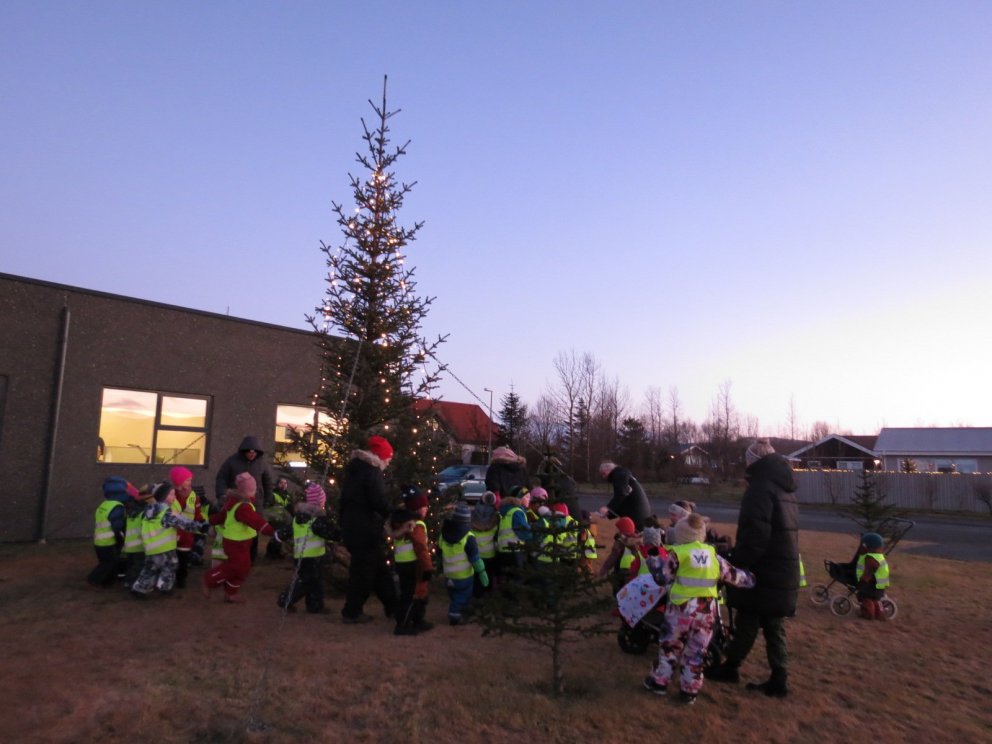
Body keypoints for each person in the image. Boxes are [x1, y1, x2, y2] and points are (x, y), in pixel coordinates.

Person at [706, 438, 800, 698]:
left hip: (764, 567)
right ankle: (774, 676)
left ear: (753, 462)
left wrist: (735, 561)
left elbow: (756, 533)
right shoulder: (785, 487)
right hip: (782, 565)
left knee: (750, 616)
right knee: (770, 622)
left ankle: (735, 668)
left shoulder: (760, 489)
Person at [643, 513, 756, 704]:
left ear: (681, 534)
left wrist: (652, 561)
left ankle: (659, 682)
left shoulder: (678, 553)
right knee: (696, 651)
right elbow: (734, 576)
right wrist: (752, 578)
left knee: (671, 646)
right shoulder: (712, 555)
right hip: (706, 612)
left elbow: (662, 577)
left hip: (681, 610)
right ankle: (689, 690)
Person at [338, 435, 398, 624]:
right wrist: (394, 513)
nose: (389, 461)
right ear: (381, 456)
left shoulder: (356, 470)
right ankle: (352, 611)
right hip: (365, 531)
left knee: (379, 570)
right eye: (388, 457)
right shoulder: (372, 473)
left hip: (356, 528)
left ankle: (393, 607)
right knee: (364, 573)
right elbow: (378, 501)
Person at [202, 472, 280, 604]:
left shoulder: (235, 503)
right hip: (235, 542)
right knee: (236, 566)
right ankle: (210, 580)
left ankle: (230, 592)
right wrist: (272, 532)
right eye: (254, 490)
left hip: (241, 542)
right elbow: (256, 521)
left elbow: (222, 516)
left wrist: (211, 520)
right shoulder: (243, 507)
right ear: (250, 491)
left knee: (244, 567)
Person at [132, 482, 208, 598]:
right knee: (170, 566)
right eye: (171, 495)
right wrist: (201, 526)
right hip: (165, 548)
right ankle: (165, 588)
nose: (174, 497)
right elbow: (183, 523)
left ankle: (140, 589)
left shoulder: (149, 510)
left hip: (151, 547)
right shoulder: (166, 512)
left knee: (150, 569)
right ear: (163, 497)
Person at [276, 482, 339, 615]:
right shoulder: (316, 520)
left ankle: (315, 606)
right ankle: (286, 599)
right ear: (320, 502)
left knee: (316, 582)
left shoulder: (298, 518)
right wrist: (341, 535)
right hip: (313, 558)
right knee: (306, 582)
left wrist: (277, 536)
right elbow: (331, 533)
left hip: (300, 557)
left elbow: (286, 531)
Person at [214, 435, 274, 561]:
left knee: (253, 529)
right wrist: (222, 494)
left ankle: (251, 558)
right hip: (236, 502)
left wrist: (268, 498)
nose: (252, 454)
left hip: (256, 502)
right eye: (249, 452)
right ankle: (232, 556)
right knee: (235, 528)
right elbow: (221, 478)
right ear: (244, 451)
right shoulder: (231, 462)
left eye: (254, 452)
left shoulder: (261, 463)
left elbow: (268, 481)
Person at [388, 485, 435, 635]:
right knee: (412, 595)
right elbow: (421, 548)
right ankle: (402, 625)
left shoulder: (399, 522)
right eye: (424, 506)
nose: (426, 509)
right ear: (417, 509)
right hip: (414, 564)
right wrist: (428, 567)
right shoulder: (417, 525)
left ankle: (418, 620)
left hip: (402, 563)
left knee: (415, 592)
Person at [438, 503, 488, 625]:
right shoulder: (468, 537)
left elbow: (440, 552)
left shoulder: (443, 535)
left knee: (454, 594)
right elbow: (475, 558)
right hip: (463, 575)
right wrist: (482, 572)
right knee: (463, 595)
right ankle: (455, 614)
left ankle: (462, 611)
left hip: (448, 574)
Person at [87, 476, 134, 587]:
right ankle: (93, 579)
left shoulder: (104, 505)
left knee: (107, 562)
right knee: (108, 563)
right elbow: (117, 526)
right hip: (108, 542)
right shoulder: (118, 507)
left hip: (98, 541)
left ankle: (107, 582)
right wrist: (121, 539)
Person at [169, 466, 202, 589]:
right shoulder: (171, 495)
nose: (190, 482)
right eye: (187, 480)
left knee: (183, 558)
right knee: (172, 558)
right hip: (173, 532)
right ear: (179, 481)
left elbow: (197, 512)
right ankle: (170, 579)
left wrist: (200, 523)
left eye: (190, 480)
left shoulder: (193, 495)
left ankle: (181, 579)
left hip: (187, 533)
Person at [597, 461, 650, 530]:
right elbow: (623, 501)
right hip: (641, 515)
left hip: (636, 518)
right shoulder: (623, 474)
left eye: (603, 474)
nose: (604, 477)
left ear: (608, 469)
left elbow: (621, 495)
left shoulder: (618, 475)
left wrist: (608, 508)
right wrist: (609, 514)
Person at [495, 485, 532, 582]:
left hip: (503, 550)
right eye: (527, 497)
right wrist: (534, 531)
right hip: (515, 550)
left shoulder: (505, 510)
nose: (529, 499)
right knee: (517, 579)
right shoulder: (517, 512)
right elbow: (523, 532)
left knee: (507, 580)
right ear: (519, 498)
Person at [597, 516, 643, 594]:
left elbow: (612, 558)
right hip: (634, 571)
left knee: (618, 591)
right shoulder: (637, 541)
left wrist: (603, 570)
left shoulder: (620, 543)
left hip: (620, 571)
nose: (617, 531)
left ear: (622, 530)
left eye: (618, 529)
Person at [470, 491, 500, 596]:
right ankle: (487, 594)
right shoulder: (494, 517)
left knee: (477, 577)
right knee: (488, 576)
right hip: (489, 554)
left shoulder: (474, 515)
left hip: (476, 554)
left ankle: (477, 595)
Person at [855, 532, 889, 620]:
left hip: (872, 584)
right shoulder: (880, 556)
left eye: (864, 545)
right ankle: (880, 614)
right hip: (880, 584)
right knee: (875, 599)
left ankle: (868, 613)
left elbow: (868, 573)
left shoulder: (871, 558)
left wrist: (862, 583)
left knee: (865, 598)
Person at [265, 477, 294, 559]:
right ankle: (271, 553)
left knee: (280, 536)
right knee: (275, 536)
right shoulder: (273, 495)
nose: (283, 485)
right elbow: (269, 507)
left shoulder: (288, 495)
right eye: (281, 483)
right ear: (277, 484)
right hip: (276, 519)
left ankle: (277, 552)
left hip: (285, 519)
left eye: (285, 483)